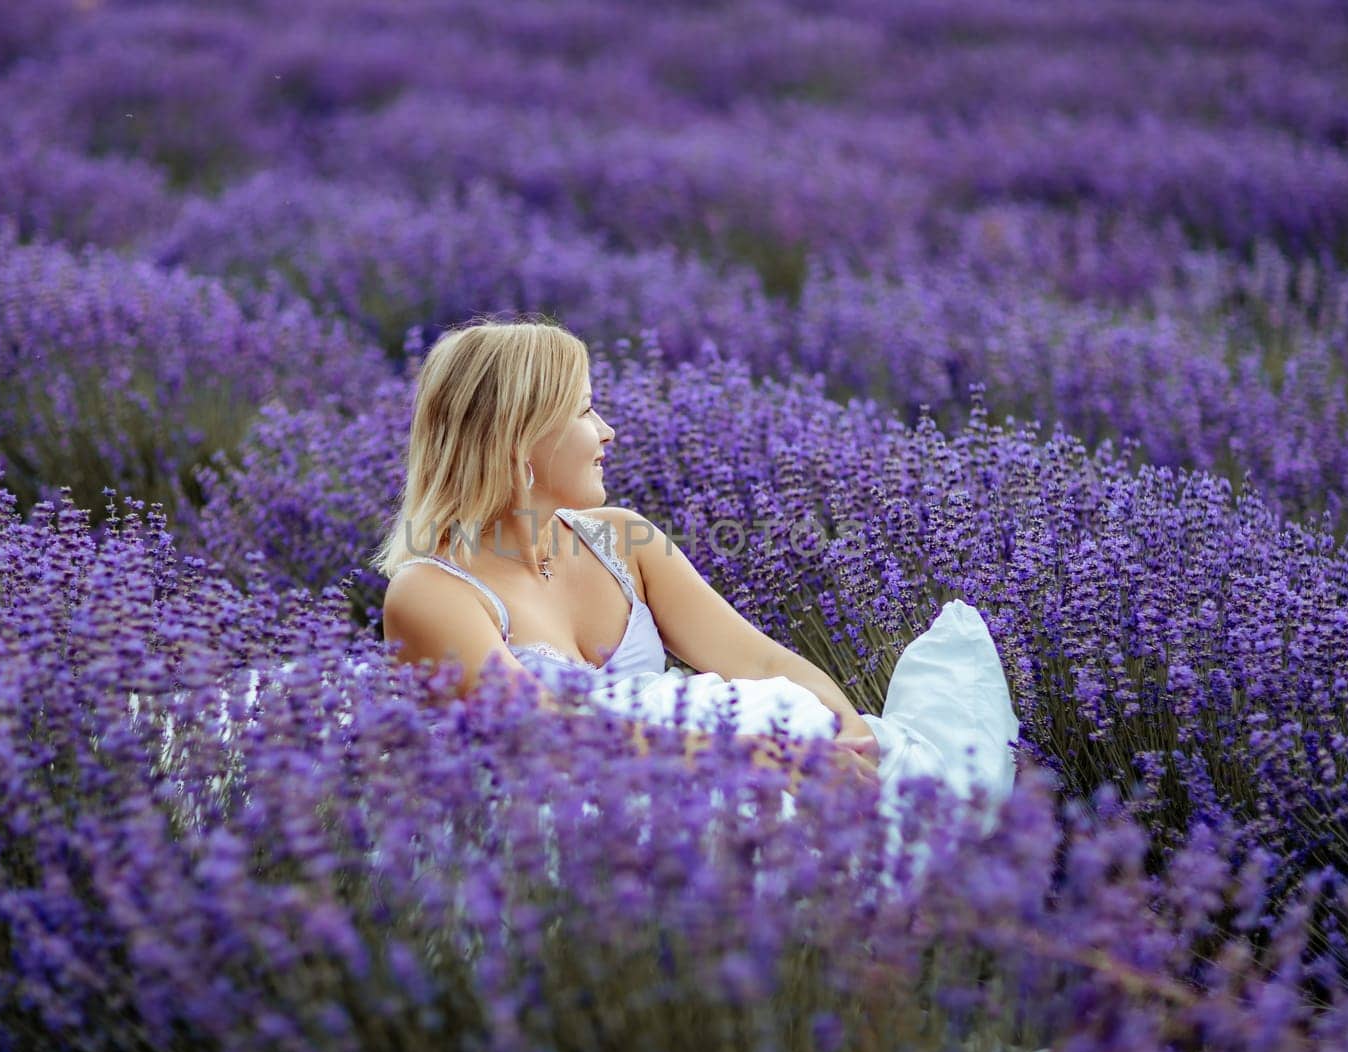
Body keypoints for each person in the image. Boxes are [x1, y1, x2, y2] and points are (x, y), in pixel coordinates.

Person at [373, 318, 1018, 814]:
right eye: (583, 410)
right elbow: (546, 736)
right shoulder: (431, 593)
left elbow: (761, 661)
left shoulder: (624, 541)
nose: (608, 432)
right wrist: (759, 758)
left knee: (897, 776)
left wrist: (844, 729)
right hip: (565, 809)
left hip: (689, 770)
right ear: (519, 435)